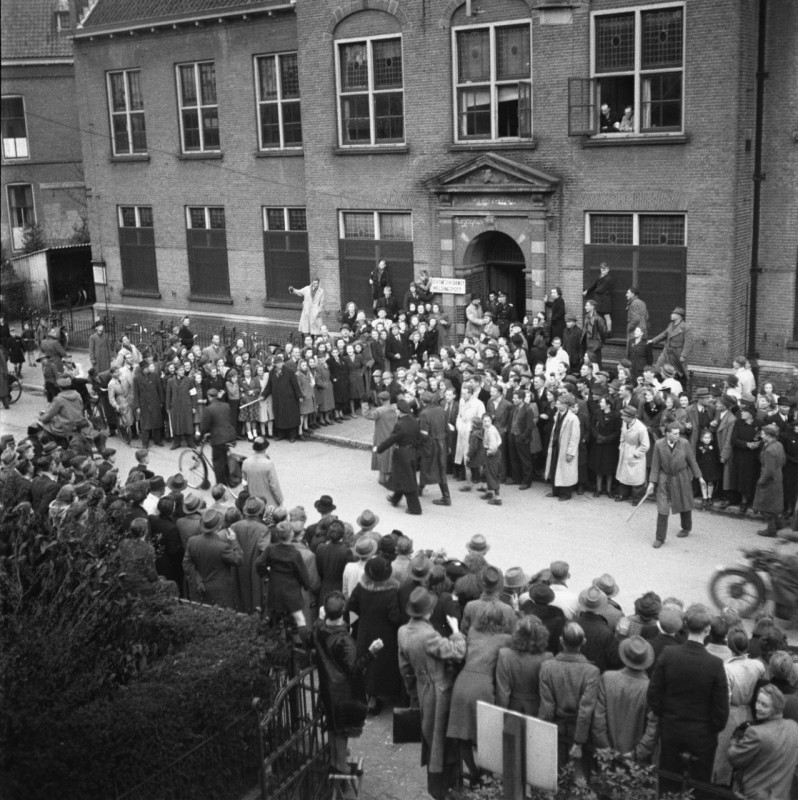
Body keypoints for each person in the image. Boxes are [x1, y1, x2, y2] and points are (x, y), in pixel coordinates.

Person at [648, 603, 730, 798]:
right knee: (699, 786)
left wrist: (666, 715)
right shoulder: (715, 664)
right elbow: (721, 709)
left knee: (668, 783)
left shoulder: (669, 654)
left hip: (672, 729)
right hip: (702, 736)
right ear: (708, 629)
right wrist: (711, 728)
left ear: (685, 624)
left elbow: (653, 694)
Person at [398, 587, 466, 799]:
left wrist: (414, 694)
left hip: (422, 688)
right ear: (427, 612)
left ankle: (438, 787)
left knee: (430, 738)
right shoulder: (429, 635)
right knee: (443, 741)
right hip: (440, 691)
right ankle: (444, 789)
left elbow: (405, 668)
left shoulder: (403, 631)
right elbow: (458, 651)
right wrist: (456, 631)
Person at [314, 591, 384, 775]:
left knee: (332, 724)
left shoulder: (319, 629)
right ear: (343, 611)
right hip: (342, 690)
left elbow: (315, 627)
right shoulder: (344, 640)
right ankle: (341, 765)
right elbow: (355, 669)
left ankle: (334, 757)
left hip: (327, 686)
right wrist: (371, 652)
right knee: (342, 729)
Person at [447, 603, 514, 788]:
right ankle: (486, 776)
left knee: (462, 735)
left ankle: (473, 772)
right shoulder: (506, 639)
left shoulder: (474, 632)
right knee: (486, 736)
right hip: (484, 686)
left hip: (462, 683)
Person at [538, 621, 600, 772]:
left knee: (555, 773)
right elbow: (585, 711)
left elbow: (547, 706)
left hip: (555, 728)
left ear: (561, 641)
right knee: (579, 778)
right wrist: (579, 742)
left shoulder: (547, 667)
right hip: (581, 732)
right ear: (583, 642)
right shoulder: (592, 671)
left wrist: (544, 732)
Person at [346, 556, 402, 716]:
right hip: (384, 634)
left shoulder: (361, 586)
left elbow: (351, 604)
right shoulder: (391, 591)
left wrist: (364, 615)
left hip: (365, 629)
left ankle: (365, 694)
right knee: (379, 665)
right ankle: (373, 699)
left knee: (366, 659)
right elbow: (395, 617)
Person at [727, 683, 798, 800]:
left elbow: (733, 757)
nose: (757, 707)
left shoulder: (755, 733)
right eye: (757, 702)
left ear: (776, 708)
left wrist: (735, 740)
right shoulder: (794, 727)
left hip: (752, 795)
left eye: (764, 705)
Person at [592, 636, 657, 761]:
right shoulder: (649, 688)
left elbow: (598, 718)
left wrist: (604, 747)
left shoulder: (607, 678)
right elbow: (652, 729)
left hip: (606, 755)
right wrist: (637, 753)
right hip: (635, 762)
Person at [647, 421, 706, 548]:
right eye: (674, 434)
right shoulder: (658, 444)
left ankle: (686, 528)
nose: (677, 436)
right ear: (667, 434)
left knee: (684, 502)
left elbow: (692, 461)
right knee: (662, 507)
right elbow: (655, 465)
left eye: (678, 433)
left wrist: (699, 477)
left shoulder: (684, 443)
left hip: (681, 476)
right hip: (665, 478)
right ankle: (660, 538)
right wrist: (652, 482)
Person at [182, 509, 242, 609]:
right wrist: (234, 541)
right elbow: (239, 560)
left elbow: (186, 563)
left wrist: (198, 580)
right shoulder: (223, 547)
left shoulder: (192, 541)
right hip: (220, 593)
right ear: (218, 526)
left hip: (199, 589)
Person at [495, 615, 553, 716]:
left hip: (512, 710)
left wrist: (500, 717)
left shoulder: (505, 655)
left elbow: (502, 693)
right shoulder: (547, 658)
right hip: (537, 710)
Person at [376, 398, 422, 515]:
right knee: (401, 477)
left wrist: (379, 448)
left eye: (397, 410)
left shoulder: (400, 425)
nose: (396, 411)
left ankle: (415, 508)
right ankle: (395, 498)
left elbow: (391, 440)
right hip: (412, 452)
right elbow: (419, 438)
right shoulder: (415, 421)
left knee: (407, 481)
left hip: (402, 455)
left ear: (400, 411)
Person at [418, 391, 451, 506]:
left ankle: (446, 498)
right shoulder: (441, 409)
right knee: (439, 468)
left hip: (430, 444)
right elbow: (447, 427)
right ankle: (420, 489)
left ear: (422, 401)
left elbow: (424, 434)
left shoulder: (424, 413)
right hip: (442, 441)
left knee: (427, 466)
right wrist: (449, 444)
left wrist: (419, 444)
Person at [545, 393, 580, 501]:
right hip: (556, 445)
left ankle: (565, 494)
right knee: (555, 468)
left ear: (565, 405)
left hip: (565, 447)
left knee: (565, 470)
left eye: (559, 403)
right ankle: (555, 491)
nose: (557, 405)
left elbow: (575, 437)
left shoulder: (573, 418)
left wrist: (571, 452)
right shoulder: (557, 415)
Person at [754, 423, 786, 537]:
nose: (761, 436)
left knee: (765, 505)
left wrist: (761, 481)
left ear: (768, 435)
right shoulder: (779, 445)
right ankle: (779, 524)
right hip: (778, 476)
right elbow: (783, 461)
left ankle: (771, 529)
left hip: (769, 479)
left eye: (763, 434)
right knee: (773, 503)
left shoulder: (769, 450)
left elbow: (769, 470)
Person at [200, 388, 237, 485]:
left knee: (217, 462)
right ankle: (229, 477)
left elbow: (204, 427)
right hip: (230, 436)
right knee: (225, 458)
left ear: (208, 396)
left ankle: (220, 485)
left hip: (218, 439)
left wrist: (200, 437)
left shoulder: (208, 409)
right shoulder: (226, 405)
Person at [262, 356, 302, 442]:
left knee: (290, 416)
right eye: (277, 363)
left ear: (283, 362)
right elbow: (269, 386)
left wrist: (299, 396)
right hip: (278, 399)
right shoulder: (272, 372)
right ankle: (281, 434)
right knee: (280, 417)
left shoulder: (289, 372)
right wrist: (263, 395)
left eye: (280, 362)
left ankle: (292, 436)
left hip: (289, 399)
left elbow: (295, 385)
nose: (279, 364)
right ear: (275, 364)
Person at [648, 307, 693, 379]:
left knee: (679, 372)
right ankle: (659, 382)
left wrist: (684, 355)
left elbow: (688, 343)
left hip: (677, 353)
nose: (671, 315)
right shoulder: (671, 325)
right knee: (658, 367)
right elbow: (664, 334)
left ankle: (679, 386)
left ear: (679, 316)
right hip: (667, 351)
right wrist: (653, 340)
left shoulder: (686, 327)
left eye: (673, 313)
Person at [364, 391, 397, 486]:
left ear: (381, 400)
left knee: (382, 456)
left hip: (381, 436)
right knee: (390, 456)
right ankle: (387, 477)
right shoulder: (394, 408)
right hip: (392, 435)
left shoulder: (380, 411)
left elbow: (367, 415)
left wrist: (365, 403)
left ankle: (384, 478)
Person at [241, 436, 283, 507]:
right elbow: (274, 485)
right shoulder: (268, 464)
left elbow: (244, 483)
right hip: (268, 503)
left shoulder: (245, 462)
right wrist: (280, 500)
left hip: (253, 503)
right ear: (265, 448)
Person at [583, 263, 614, 334]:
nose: (602, 270)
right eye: (601, 268)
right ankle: (598, 331)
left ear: (608, 270)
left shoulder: (609, 279)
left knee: (607, 316)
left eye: (604, 269)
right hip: (599, 300)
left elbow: (600, 289)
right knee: (597, 315)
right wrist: (587, 290)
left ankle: (609, 332)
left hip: (605, 300)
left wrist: (594, 291)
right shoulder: (599, 276)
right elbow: (594, 285)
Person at [581, 299, 607, 368]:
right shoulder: (586, 317)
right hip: (587, 345)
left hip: (595, 346)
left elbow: (603, 332)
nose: (585, 307)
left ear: (592, 307)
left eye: (587, 305)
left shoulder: (598, 318)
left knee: (596, 363)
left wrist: (599, 341)